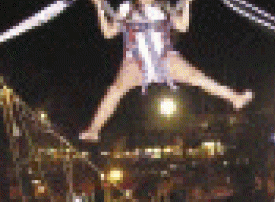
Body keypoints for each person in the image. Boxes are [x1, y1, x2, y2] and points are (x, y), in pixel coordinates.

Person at [81, 0, 253, 141]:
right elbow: (109, 33)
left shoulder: (163, 7)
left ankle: (235, 98)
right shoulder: (126, 8)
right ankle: (94, 129)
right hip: (135, 60)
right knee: (115, 91)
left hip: (166, 56)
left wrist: (186, 4)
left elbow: (182, 26)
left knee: (197, 77)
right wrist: (99, 8)